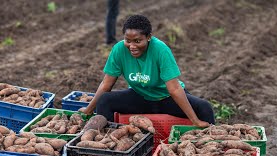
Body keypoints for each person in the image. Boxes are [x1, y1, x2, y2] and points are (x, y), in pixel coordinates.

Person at [80, 14, 214, 127]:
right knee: (105, 100)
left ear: (148, 37)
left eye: (138, 41)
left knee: (204, 108)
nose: (132, 46)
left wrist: (194, 120)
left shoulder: (161, 50)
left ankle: (209, 144)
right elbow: (106, 84)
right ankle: (106, 143)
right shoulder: (119, 50)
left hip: (166, 98)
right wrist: (88, 110)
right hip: (140, 96)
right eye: (128, 40)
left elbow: (174, 89)